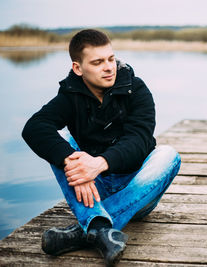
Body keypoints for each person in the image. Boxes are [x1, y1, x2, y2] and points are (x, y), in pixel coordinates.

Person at [22, 29, 181, 266]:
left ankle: (89, 226)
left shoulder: (135, 89)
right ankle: (99, 229)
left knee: (169, 155)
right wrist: (70, 160)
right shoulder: (69, 95)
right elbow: (34, 127)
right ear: (78, 68)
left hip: (139, 190)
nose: (109, 67)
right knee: (61, 142)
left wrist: (98, 164)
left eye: (110, 59)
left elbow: (139, 140)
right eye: (97, 62)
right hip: (95, 189)